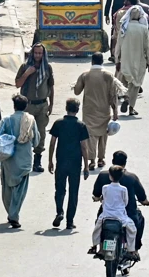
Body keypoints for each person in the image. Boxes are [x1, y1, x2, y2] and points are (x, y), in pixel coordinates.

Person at [0, 94, 44, 229]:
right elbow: (36, 141)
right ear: (26, 106)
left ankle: (11, 212)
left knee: (7, 187)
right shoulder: (30, 120)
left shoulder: (7, 120)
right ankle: (14, 214)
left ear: (14, 106)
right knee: (20, 190)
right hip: (25, 160)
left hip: (9, 159)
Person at [92, 151, 149, 252]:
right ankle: (134, 249)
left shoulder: (103, 176)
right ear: (125, 162)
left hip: (106, 213)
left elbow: (97, 194)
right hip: (127, 213)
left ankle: (99, 247)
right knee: (137, 223)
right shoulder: (131, 178)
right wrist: (145, 202)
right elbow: (140, 198)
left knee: (98, 224)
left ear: (112, 161)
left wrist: (98, 198)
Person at [48, 97, 90, 230]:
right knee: (73, 192)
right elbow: (84, 147)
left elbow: (53, 142)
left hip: (61, 162)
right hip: (75, 163)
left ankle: (59, 211)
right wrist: (86, 165)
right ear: (77, 110)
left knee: (59, 189)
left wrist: (50, 160)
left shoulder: (58, 123)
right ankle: (70, 221)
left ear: (66, 108)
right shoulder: (81, 125)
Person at [73, 53, 120, 170]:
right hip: (104, 110)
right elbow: (113, 95)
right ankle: (101, 159)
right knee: (103, 135)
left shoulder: (85, 75)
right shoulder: (108, 76)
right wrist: (115, 111)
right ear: (102, 61)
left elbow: (76, 91)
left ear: (92, 62)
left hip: (89, 111)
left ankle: (92, 160)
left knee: (91, 136)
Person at [15, 42, 56, 172]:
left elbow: (51, 87)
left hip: (42, 105)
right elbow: (17, 84)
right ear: (32, 53)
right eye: (36, 53)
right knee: (25, 132)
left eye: (40, 53)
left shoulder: (47, 68)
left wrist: (51, 104)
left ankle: (37, 160)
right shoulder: (25, 66)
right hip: (28, 105)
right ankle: (24, 160)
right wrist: (27, 73)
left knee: (41, 133)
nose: (38, 55)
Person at [90, 166, 138, 256]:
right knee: (132, 230)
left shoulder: (105, 187)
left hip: (105, 215)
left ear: (110, 176)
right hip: (120, 217)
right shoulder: (123, 189)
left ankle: (95, 246)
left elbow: (103, 197)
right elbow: (125, 202)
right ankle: (131, 250)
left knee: (97, 229)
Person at [114, 5, 149, 116]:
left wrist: (117, 59)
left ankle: (125, 97)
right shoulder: (144, 29)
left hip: (125, 60)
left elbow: (118, 45)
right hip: (139, 61)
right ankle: (131, 107)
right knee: (135, 85)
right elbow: (147, 47)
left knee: (125, 81)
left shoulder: (124, 28)